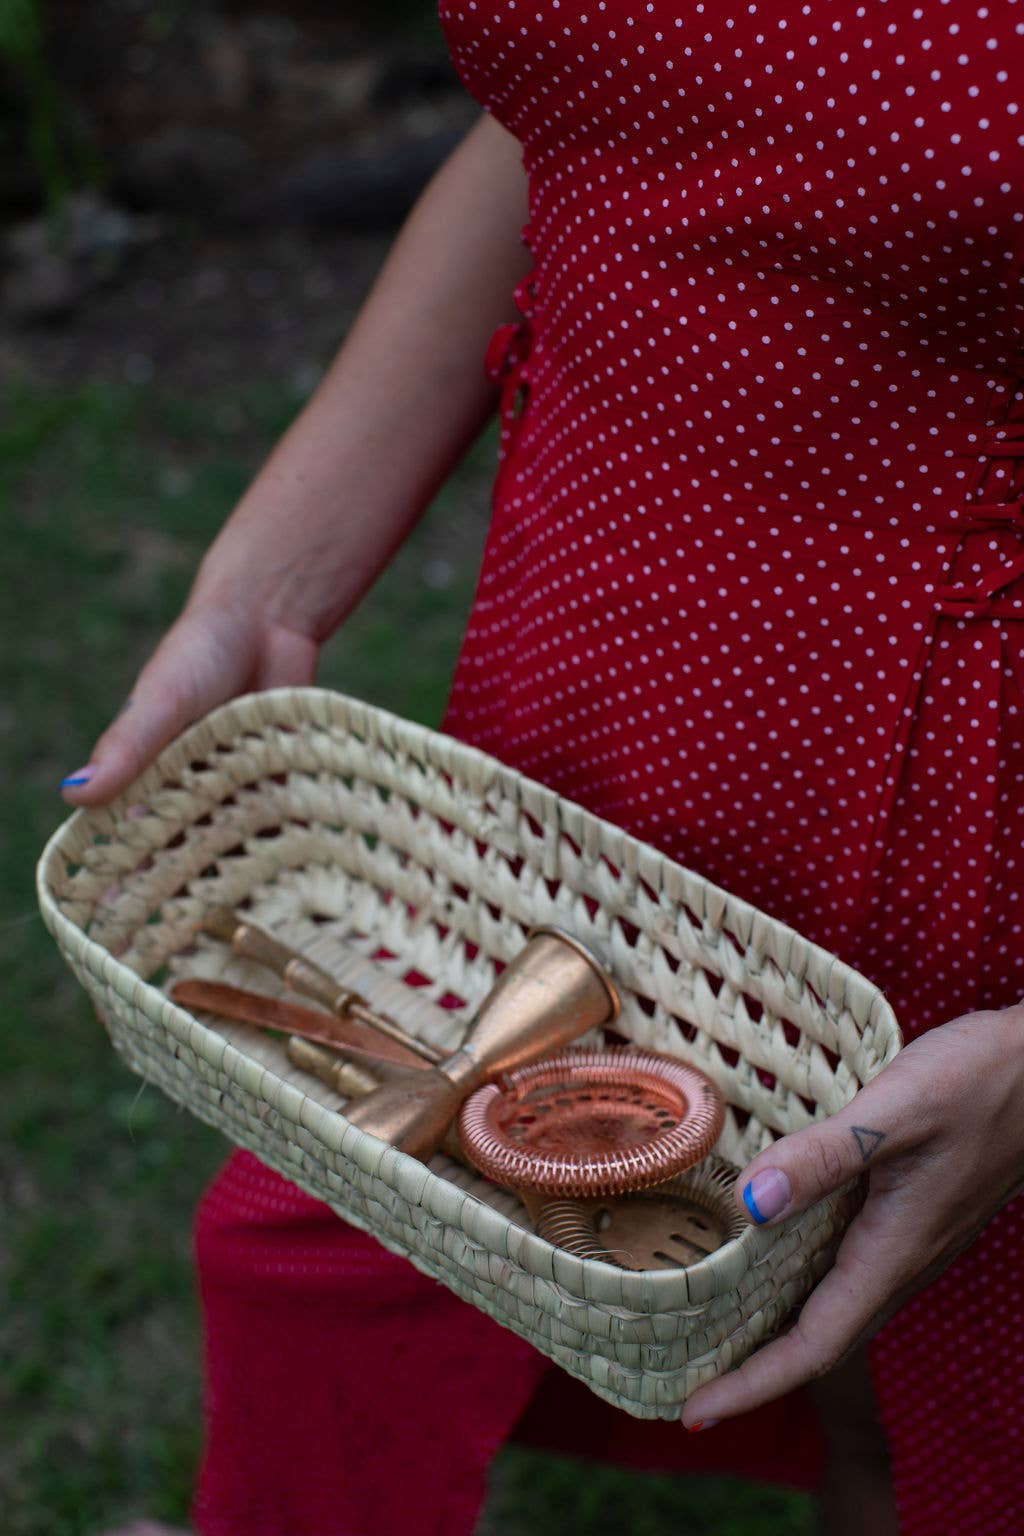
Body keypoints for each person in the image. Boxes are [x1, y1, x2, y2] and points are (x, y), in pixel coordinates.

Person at [64, 4, 1024, 1533]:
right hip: (570, 710)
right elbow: (559, 121)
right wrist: (267, 587)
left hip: (940, 779)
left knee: (922, 1402)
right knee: (325, 1253)